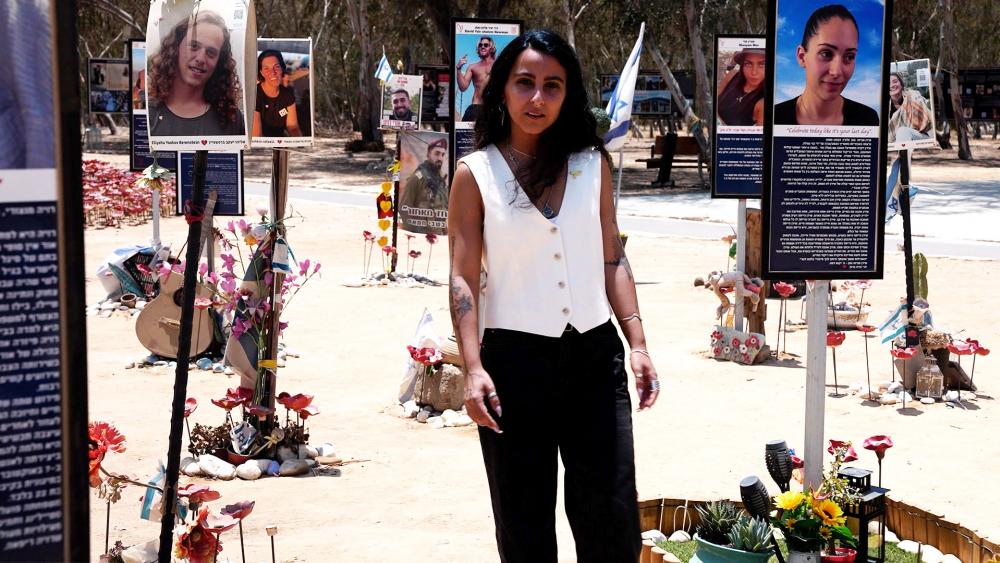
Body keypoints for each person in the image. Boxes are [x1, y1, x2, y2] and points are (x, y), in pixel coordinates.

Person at [448, 29, 660, 562]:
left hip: (595, 356)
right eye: (525, 83)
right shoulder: (476, 175)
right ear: (502, 90)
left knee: (611, 518)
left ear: (569, 95)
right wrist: (473, 368)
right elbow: (462, 279)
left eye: (552, 86)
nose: (537, 98)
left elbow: (612, 257)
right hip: (512, 366)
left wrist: (637, 343)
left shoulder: (593, 167)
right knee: (524, 524)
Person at [774, 4, 879, 126]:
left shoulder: (867, 120)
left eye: (849, 56)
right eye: (826, 53)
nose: (836, 71)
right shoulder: (774, 118)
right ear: (802, 57)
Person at [147, 10, 245, 136]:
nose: (200, 58)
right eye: (194, 46)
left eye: (211, 53)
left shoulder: (231, 119)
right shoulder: (148, 114)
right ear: (175, 48)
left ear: (219, 62)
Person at [253, 49, 301, 137]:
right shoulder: (255, 94)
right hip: (261, 145)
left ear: (282, 68)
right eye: (266, 68)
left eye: (276, 67)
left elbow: (292, 127)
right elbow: (256, 135)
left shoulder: (288, 94)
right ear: (261, 72)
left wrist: (301, 145)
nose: (273, 72)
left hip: (280, 142)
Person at [400, 137, 449, 218]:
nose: (440, 158)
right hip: (422, 229)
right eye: (437, 153)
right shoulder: (417, 178)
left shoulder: (441, 180)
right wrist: (419, 229)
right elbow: (404, 210)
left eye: (442, 155)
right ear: (428, 154)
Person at [717, 47, 766, 126]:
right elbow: (714, 102)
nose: (754, 72)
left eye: (762, 64)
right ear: (742, 65)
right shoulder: (732, 76)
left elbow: (759, 137)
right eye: (748, 64)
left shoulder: (762, 103)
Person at [456, 35, 496, 122]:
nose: (482, 47)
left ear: (491, 48)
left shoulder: (498, 65)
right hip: (475, 107)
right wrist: (458, 68)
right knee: (464, 135)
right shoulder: (472, 67)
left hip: (491, 109)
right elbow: (463, 87)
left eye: (486, 45)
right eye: (480, 45)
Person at [887, 71, 932, 144]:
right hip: (893, 141)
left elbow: (922, 122)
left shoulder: (913, 96)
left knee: (903, 132)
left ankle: (903, 155)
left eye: (895, 82)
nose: (892, 85)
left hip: (918, 136)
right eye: (888, 83)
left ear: (901, 84)